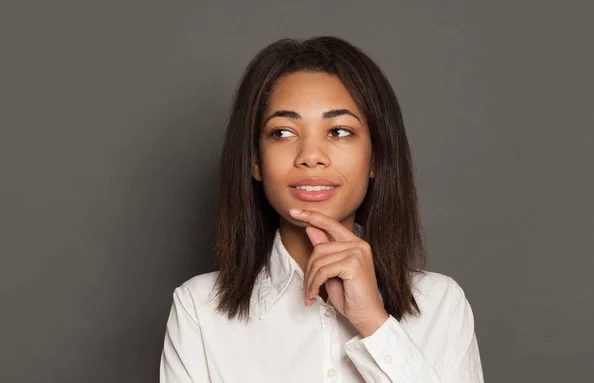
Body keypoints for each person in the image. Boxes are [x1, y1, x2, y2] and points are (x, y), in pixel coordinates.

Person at [159, 36, 485, 382]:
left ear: (375, 158)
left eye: (339, 131)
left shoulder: (440, 305)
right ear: (255, 161)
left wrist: (374, 323)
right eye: (283, 132)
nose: (311, 156)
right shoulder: (199, 309)